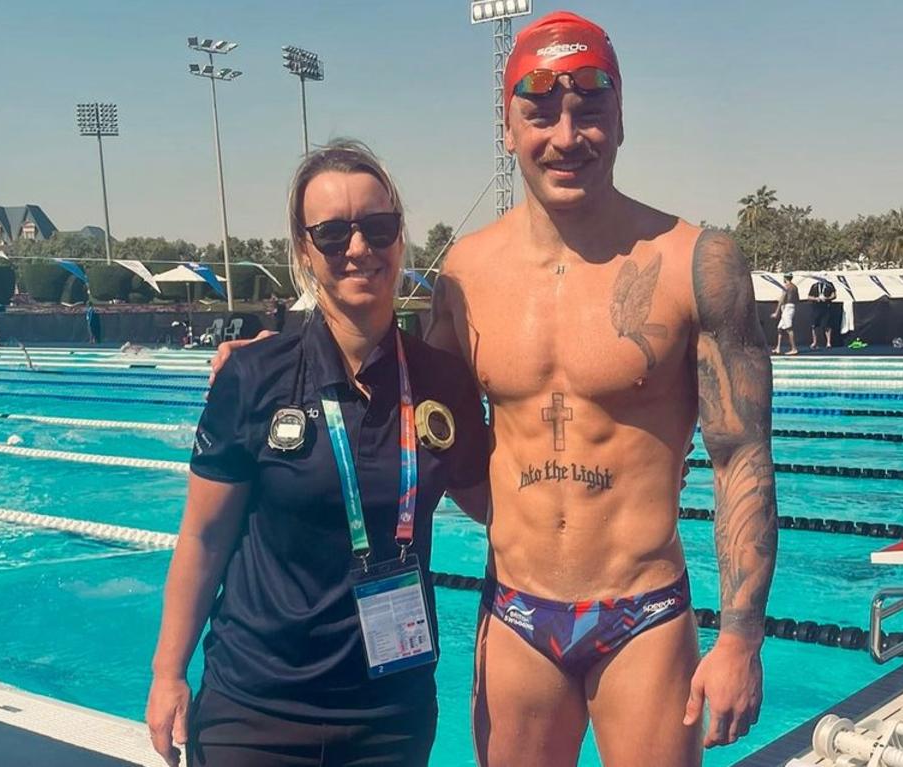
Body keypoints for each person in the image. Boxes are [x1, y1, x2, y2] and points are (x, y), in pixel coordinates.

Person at [211, 13, 776, 766]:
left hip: (643, 608)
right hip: (516, 611)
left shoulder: (695, 262)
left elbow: (742, 455)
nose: (566, 136)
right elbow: (410, 399)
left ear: (621, 117)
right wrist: (274, 358)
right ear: (508, 126)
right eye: (540, 112)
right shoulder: (467, 275)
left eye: (591, 110)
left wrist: (740, 634)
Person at [146, 140, 490, 767]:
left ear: (400, 237)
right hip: (257, 709)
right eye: (333, 234)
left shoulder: (442, 381)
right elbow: (203, 537)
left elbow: (495, 502)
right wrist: (168, 673)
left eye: (377, 228)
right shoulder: (253, 375)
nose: (359, 249)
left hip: (391, 714)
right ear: (305, 249)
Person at [771, 273, 799, 355]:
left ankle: (794, 348)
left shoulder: (786, 287)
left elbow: (782, 299)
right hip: (791, 306)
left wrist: (776, 312)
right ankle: (778, 348)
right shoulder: (795, 287)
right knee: (779, 328)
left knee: (788, 328)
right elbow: (797, 299)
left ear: (785, 278)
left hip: (787, 307)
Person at [807, 274, 836, 349]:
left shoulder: (829, 285)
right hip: (816, 307)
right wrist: (816, 299)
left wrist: (827, 298)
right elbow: (809, 297)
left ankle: (828, 343)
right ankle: (814, 342)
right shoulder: (814, 285)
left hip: (826, 307)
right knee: (814, 326)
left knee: (827, 325)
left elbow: (834, 295)